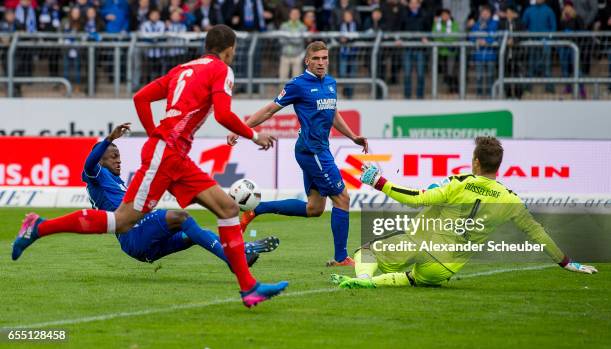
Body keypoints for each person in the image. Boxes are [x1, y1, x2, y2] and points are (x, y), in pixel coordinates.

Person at [12, 24, 287, 308]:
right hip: (168, 153)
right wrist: (255, 136)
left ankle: (249, 288)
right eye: (233, 51)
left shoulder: (183, 69)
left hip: (174, 154)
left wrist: (156, 133)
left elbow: (141, 98)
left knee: (228, 208)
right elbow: (224, 115)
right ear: (230, 50)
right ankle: (39, 227)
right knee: (122, 220)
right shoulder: (221, 70)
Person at [332, 136, 598, 290]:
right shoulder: (511, 200)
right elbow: (537, 233)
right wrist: (566, 262)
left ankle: (365, 279)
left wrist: (380, 182)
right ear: (499, 166)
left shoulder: (459, 184)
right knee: (413, 278)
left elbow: (417, 199)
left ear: (476, 162)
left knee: (365, 251)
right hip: (446, 267)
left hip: (423, 246)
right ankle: (377, 283)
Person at [12, 123, 280, 268]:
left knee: (190, 235)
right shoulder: (96, 176)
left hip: (142, 247)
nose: (118, 160)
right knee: (182, 217)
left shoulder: (117, 181)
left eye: (119, 155)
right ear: (103, 158)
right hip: (133, 235)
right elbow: (89, 161)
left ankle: (238, 253)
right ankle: (236, 259)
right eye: (113, 156)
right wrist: (106, 141)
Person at [227, 41, 369, 267]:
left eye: (325, 58)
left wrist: (352, 136)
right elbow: (270, 109)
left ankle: (257, 209)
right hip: (312, 151)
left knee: (314, 208)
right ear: (307, 61)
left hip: (318, 150)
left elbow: (332, 114)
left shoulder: (330, 83)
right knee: (342, 199)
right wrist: (242, 129)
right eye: (317, 59)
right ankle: (341, 258)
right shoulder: (298, 85)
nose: (321, 63)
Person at [470, 4, 498, 97]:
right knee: (479, 77)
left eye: (487, 13)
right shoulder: (476, 25)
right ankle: (479, 95)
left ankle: (491, 95)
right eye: (483, 13)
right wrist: (477, 40)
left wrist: (487, 41)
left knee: (490, 76)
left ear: (490, 14)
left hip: (490, 55)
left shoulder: (495, 24)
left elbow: (496, 36)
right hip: (479, 55)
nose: (485, 15)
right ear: (480, 14)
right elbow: (471, 37)